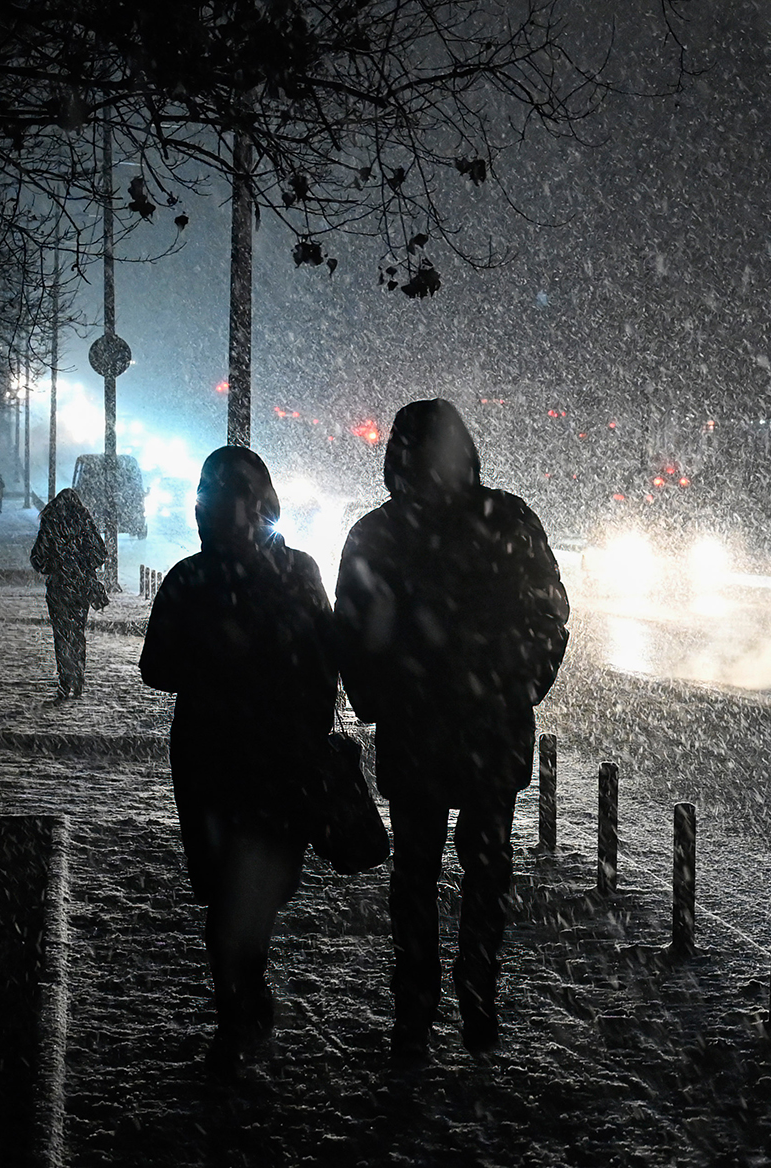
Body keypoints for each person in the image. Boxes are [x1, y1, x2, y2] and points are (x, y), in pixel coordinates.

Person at [336, 399, 569, 1057]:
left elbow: (353, 632)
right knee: (482, 870)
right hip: (486, 726)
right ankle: (473, 995)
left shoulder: (378, 534)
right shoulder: (507, 520)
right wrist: (513, 684)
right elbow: (548, 618)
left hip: (426, 727)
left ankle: (423, 1003)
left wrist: (381, 694)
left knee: (419, 873)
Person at [139, 447, 337, 1064]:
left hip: (221, 758)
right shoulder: (295, 572)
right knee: (244, 886)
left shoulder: (191, 578)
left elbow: (157, 667)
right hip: (261, 759)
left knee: (234, 886)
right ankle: (243, 993)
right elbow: (325, 664)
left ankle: (239, 998)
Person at [29, 488, 108, 701]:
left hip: (59, 588)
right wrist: (83, 565)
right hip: (81, 587)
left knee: (62, 634)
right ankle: (79, 676)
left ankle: (65, 681)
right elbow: (101, 554)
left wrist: (54, 566)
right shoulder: (85, 522)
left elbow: (37, 557)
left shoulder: (51, 522)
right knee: (77, 631)